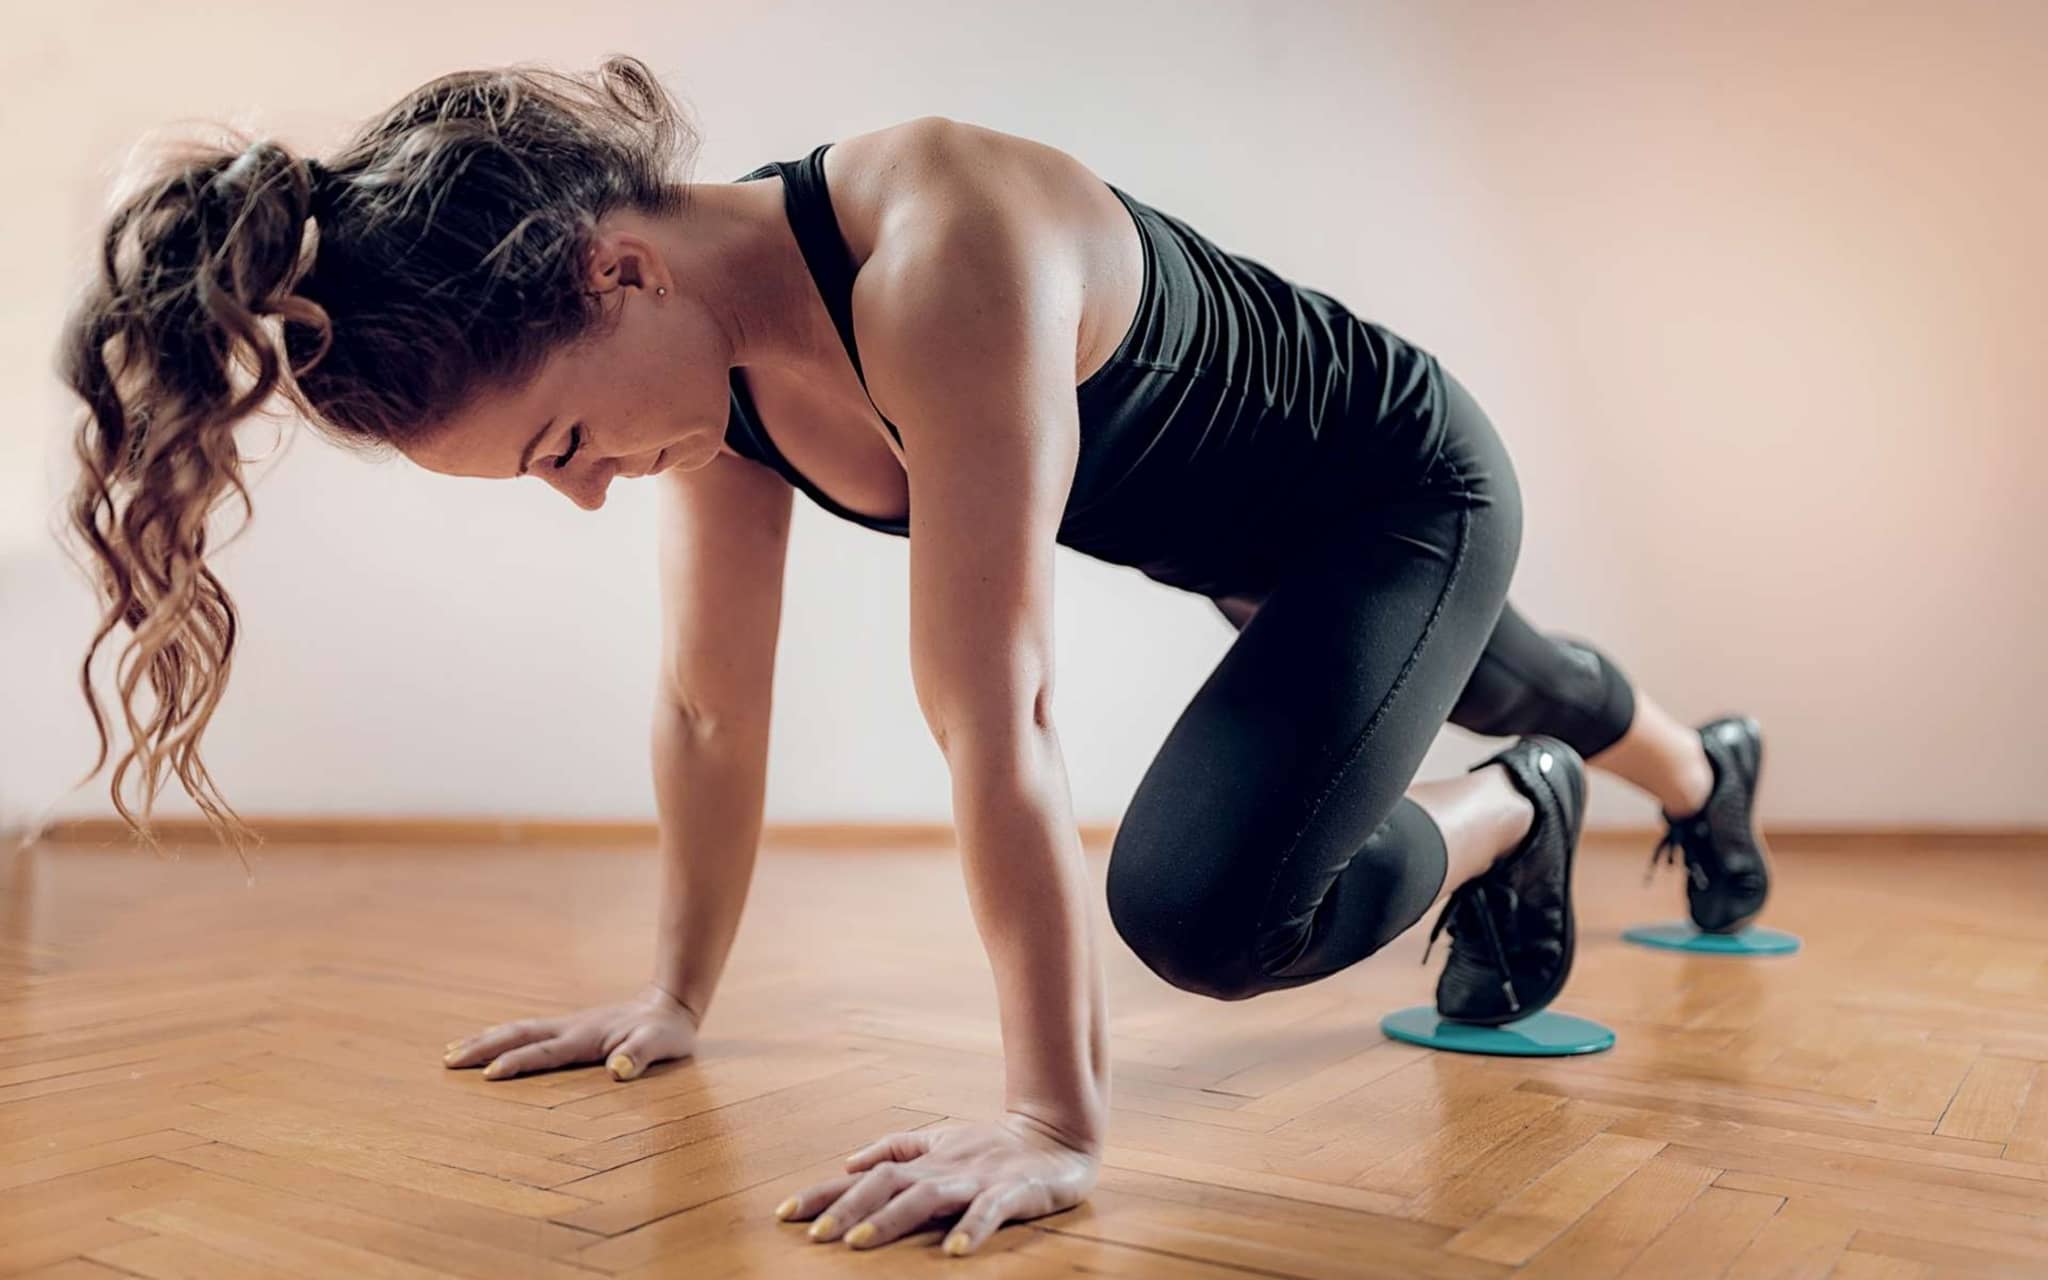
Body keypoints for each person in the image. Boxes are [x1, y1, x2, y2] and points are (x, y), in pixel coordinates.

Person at [57, 56, 1771, 1258]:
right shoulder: (704, 380)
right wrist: (674, 991)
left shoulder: (939, 246)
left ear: (618, 269)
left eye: (564, 438)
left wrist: (1051, 1123)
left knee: (1211, 910)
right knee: (1500, 668)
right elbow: (710, 705)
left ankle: (1513, 815)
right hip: (1246, 547)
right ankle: (1699, 773)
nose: (584, 494)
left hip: (1402, 486)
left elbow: (994, 707)